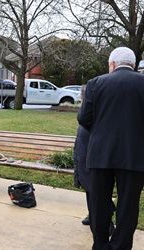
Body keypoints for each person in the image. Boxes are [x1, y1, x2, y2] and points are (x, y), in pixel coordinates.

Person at [78, 47, 144, 250]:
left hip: (100, 154)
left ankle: (100, 245)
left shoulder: (95, 83)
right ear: (133, 65)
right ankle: (120, 247)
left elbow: (84, 118)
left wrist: (101, 132)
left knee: (99, 203)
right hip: (134, 155)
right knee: (128, 205)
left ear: (112, 64)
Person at [73, 85, 115, 234]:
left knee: (97, 193)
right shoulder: (87, 112)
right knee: (90, 190)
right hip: (83, 157)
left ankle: (107, 223)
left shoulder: (96, 113)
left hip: (92, 160)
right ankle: (93, 216)